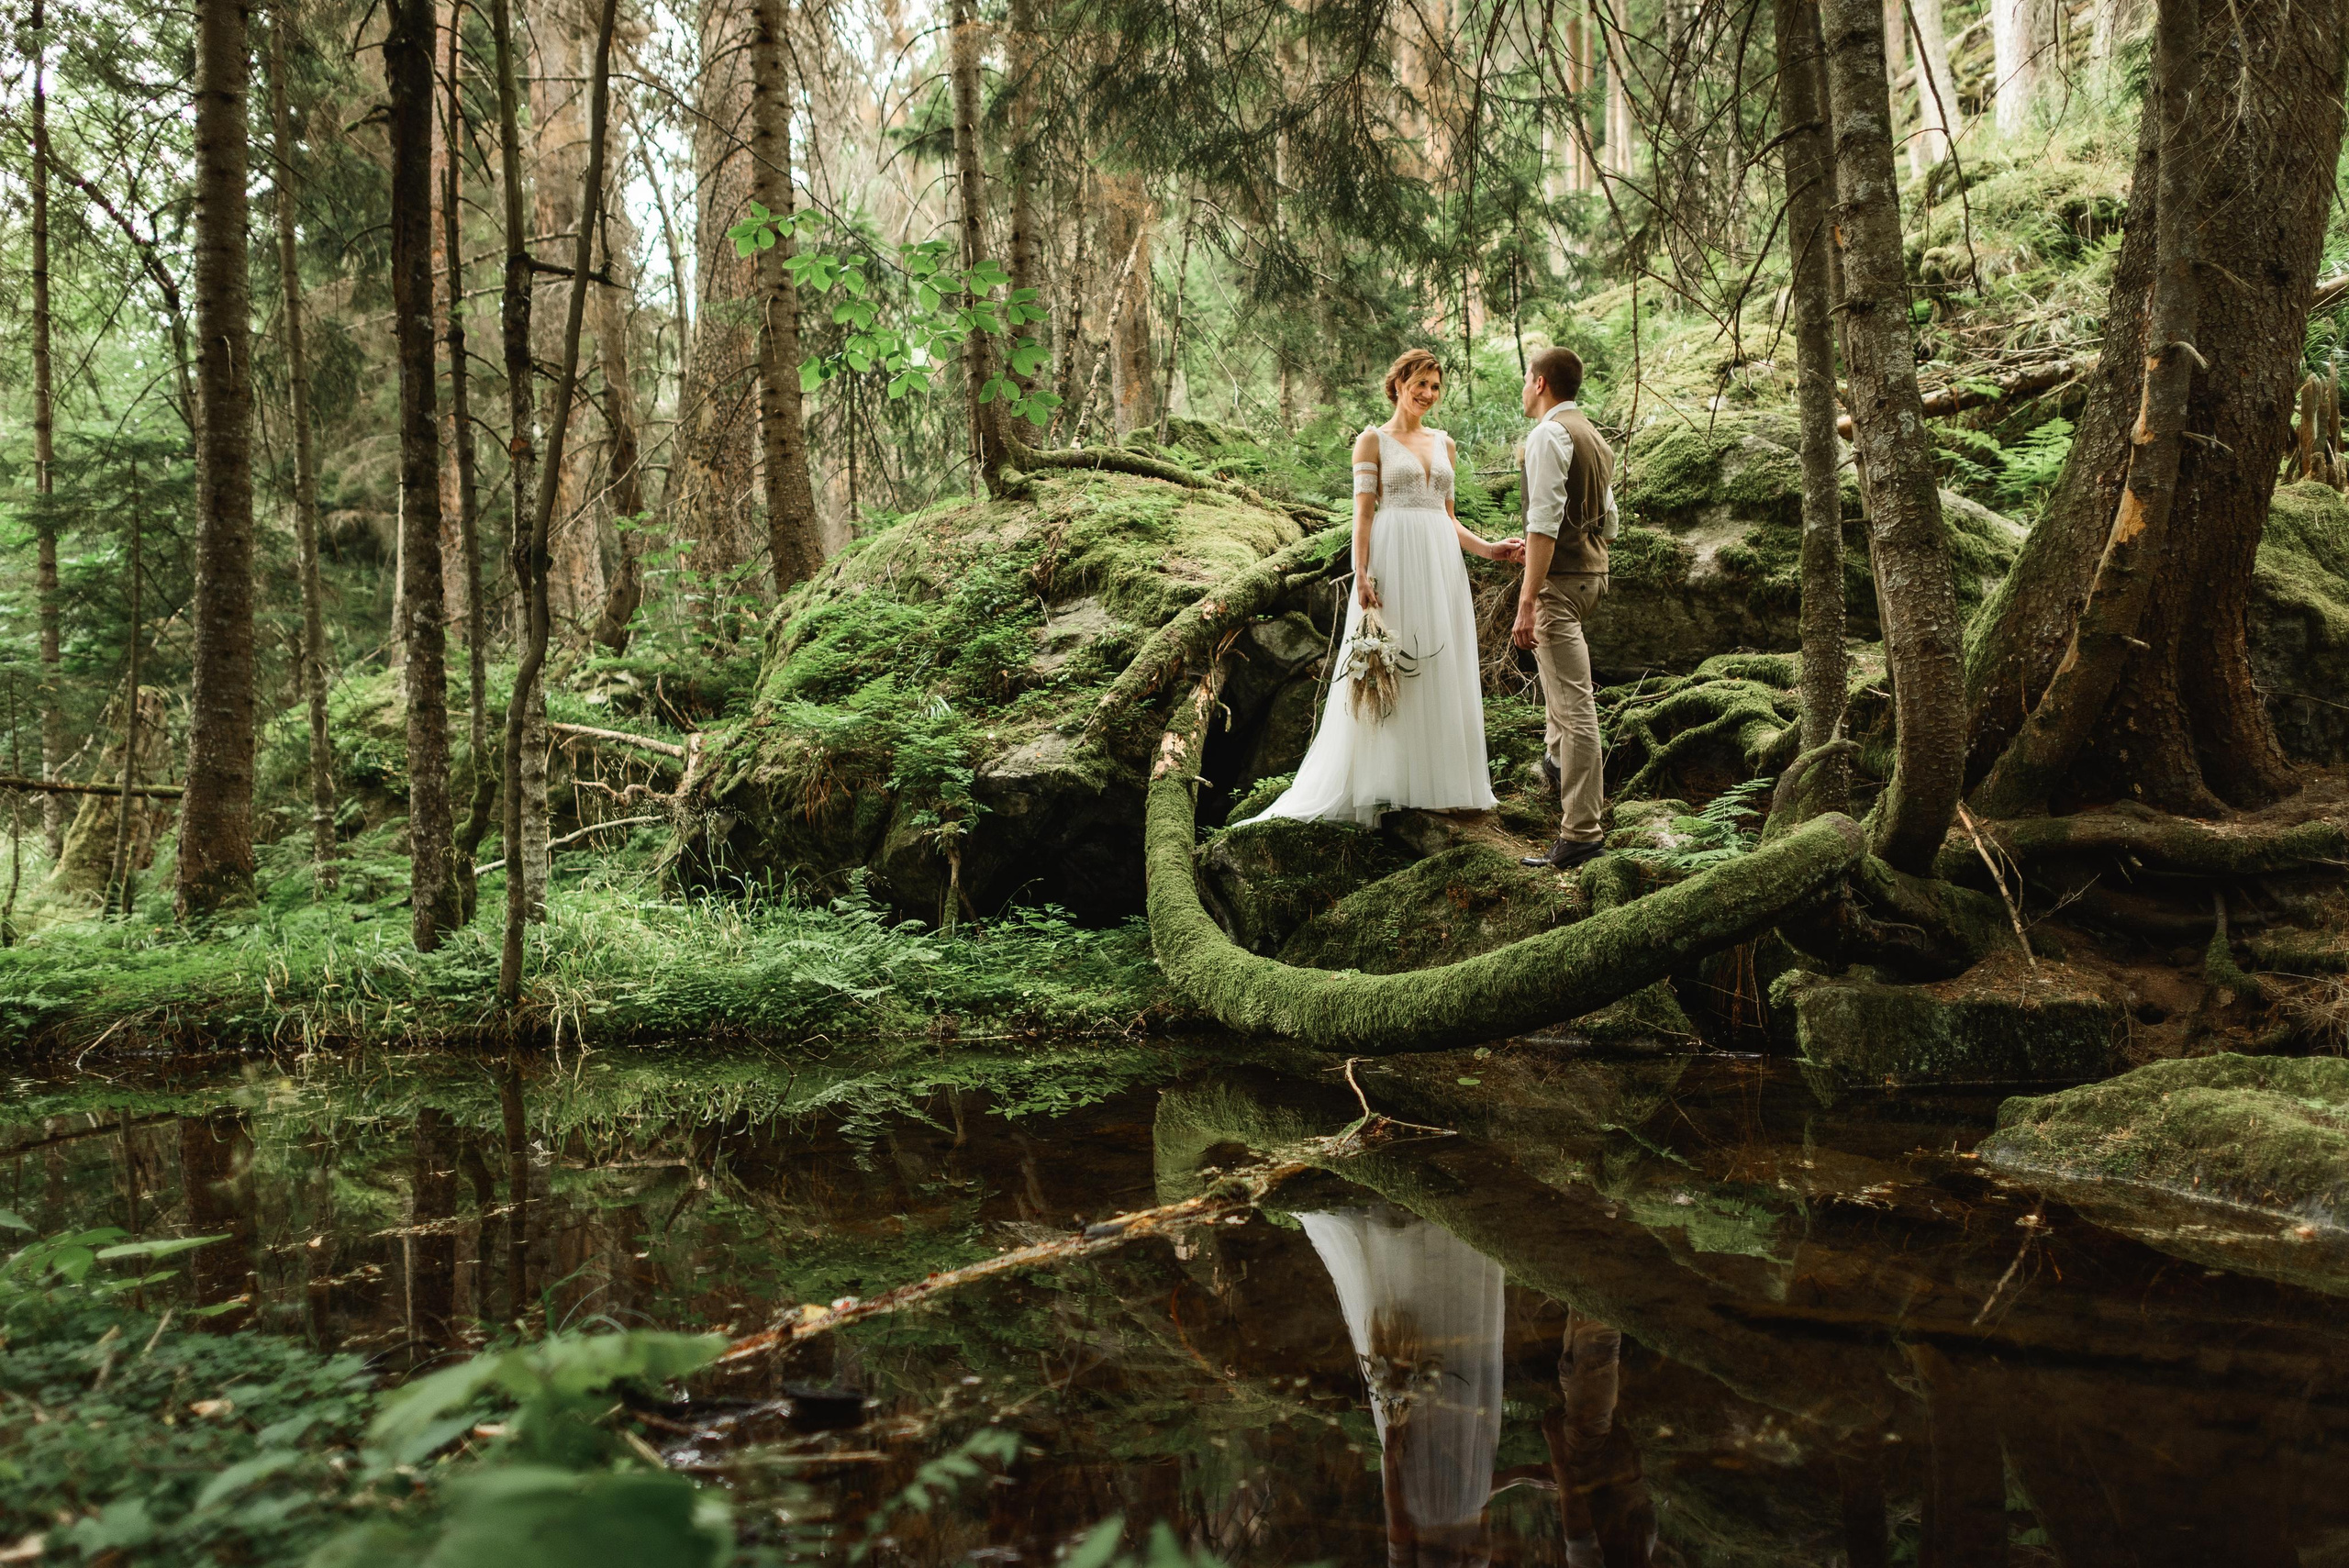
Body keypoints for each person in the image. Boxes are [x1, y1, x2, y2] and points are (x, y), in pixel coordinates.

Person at [1248, 349, 1523, 827]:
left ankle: (1442, 784)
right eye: (1420, 384)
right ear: (1398, 384)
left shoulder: (1445, 444)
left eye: (1435, 386)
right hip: (1394, 560)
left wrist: (1490, 550)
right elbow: (1363, 515)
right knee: (1396, 662)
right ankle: (1392, 782)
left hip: (1440, 563)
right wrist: (1362, 572)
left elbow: (1447, 517)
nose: (1428, 394)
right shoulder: (1372, 441)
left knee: (1439, 660)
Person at [1512, 346, 1620, 871]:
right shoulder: (1594, 438)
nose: (1524, 388)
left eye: (1526, 379)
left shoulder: (1547, 435)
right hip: (1592, 578)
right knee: (1562, 691)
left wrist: (1528, 598)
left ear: (1540, 383)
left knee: (1576, 708)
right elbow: (1609, 522)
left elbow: (1544, 523)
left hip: (1557, 585)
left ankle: (1581, 832)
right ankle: (1557, 762)